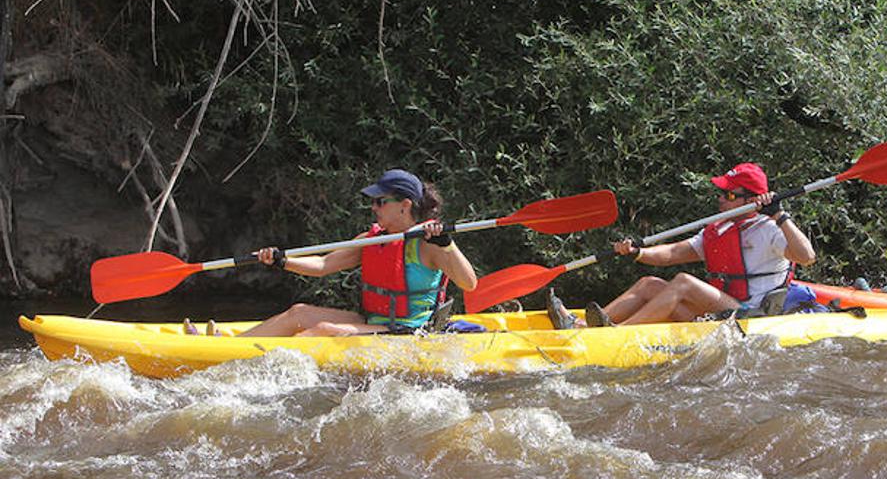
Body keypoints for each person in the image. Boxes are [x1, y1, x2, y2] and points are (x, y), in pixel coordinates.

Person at [188, 169, 477, 337]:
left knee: (326, 329)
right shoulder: (372, 240)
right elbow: (323, 264)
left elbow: (469, 283)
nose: (373, 207)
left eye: (380, 201)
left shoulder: (429, 243)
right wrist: (282, 260)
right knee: (299, 313)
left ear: (405, 205)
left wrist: (447, 245)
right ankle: (228, 346)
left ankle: (249, 359)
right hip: (373, 324)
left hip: (409, 332)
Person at [549, 162, 816, 327]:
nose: (721, 198)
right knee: (649, 284)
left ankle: (617, 333)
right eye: (721, 192)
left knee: (684, 282)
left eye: (729, 195)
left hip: (751, 315)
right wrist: (636, 252)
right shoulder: (719, 229)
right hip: (719, 312)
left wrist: (779, 215)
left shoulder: (770, 229)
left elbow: (807, 257)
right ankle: (581, 326)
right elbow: (673, 253)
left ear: (751, 200)